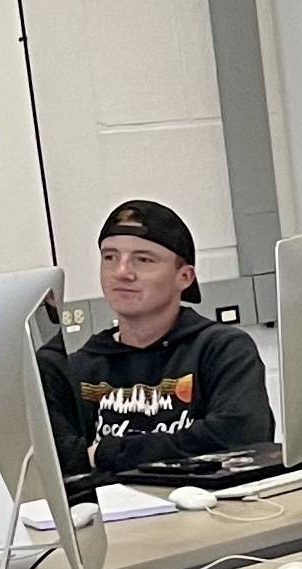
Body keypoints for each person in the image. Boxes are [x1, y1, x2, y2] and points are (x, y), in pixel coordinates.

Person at [44, 200, 272, 475]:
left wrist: (102, 453)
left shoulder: (221, 350)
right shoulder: (70, 367)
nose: (121, 272)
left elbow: (240, 438)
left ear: (184, 277)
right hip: (109, 515)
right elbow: (54, 463)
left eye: (143, 259)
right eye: (110, 257)